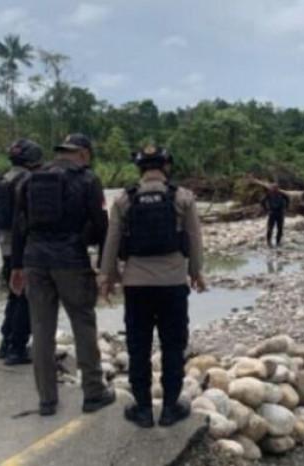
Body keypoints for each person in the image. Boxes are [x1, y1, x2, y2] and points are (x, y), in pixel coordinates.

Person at [100, 145, 206, 428]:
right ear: (166, 166)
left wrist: (106, 278)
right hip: (173, 284)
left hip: (136, 286)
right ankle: (170, 408)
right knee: (173, 345)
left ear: (139, 168)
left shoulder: (124, 199)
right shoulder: (182, 197)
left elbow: (111, 242)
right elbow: (194, 238)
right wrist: (196, 272)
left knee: (138, 348)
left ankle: (144, 410)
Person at [10, 133, 115, 417]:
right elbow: (102, 226)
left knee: (41, 328)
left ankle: (46, 400)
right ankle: (93, 392)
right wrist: (106, 270)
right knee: (83, 323)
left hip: (34, 261)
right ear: (83, 154)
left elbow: (19, 225)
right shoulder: (87, 180)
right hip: (71, 261)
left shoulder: (30, 179)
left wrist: (16, 267)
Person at [0, 139, 42, 365]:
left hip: (4, 246)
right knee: (25, 299)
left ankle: (5, 344)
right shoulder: (29, 181)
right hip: (23, 248)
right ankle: (17, 349)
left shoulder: (3, 180)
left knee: (13, 295)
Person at [262, 184, 289, 248]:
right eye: (273, 188)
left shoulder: (281, 194)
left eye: (276, 188)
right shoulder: (269, 194)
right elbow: (262, 202)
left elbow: (288, 199)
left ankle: (278, 242)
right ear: (271, 189)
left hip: (280, 213)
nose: (274, 189)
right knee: (270, 228)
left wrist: (286, 208)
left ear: (278, 188)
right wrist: (266, 210)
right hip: (272, 212)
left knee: (280, 228)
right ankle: (269, 242)